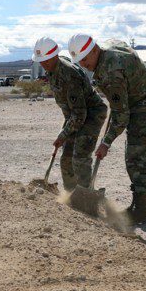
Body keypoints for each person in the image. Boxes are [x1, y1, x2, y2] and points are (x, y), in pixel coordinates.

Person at [68, 34, 146, 223]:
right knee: (135, 154)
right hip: (140, 101)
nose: (83, 64)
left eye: (85, 59)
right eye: (79, 61)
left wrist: (106, 143)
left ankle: (141, 210)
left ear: (95, 49)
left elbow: (122, 116)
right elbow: (119, 106)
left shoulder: (110, 72)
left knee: (136, 156)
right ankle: (138, 205)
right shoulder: (108, 50)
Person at [33, 37, 107, 191]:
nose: (43, 64)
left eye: (46, 60)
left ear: (55, 56)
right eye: (41, 61)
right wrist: (63, 133)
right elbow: (72, 112)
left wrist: (63, 135)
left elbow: (80, 114)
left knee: (80, 156)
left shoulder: (68, 74)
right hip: (75, 116)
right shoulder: (53, 71)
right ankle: (71, 195)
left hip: (92, 114)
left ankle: (85, 195)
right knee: (66, 159)